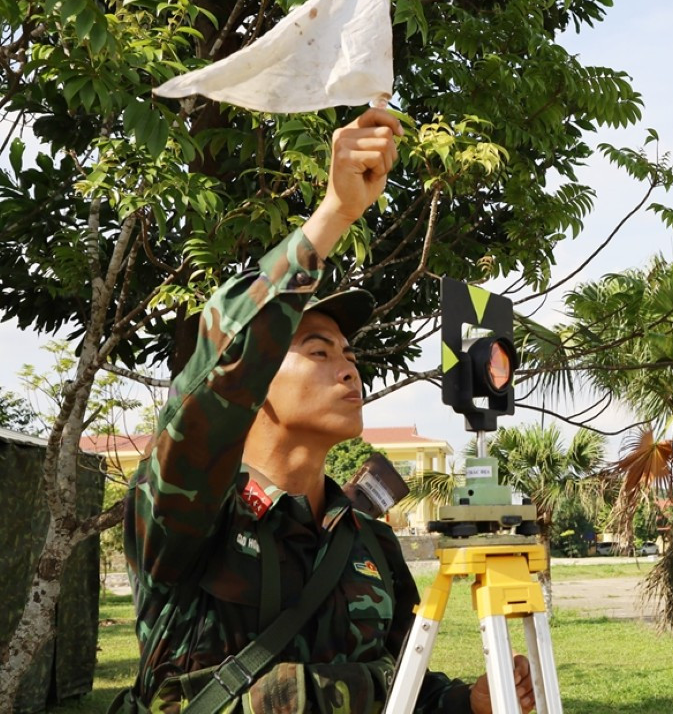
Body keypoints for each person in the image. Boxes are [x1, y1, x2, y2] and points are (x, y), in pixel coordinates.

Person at [118, 109, 536, 714]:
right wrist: (335, 214)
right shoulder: (188, 515)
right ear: (257, 378)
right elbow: (216, 372)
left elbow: (399, 686)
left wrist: (465, 703)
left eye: (348, 352)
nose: (348, 367)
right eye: (317, 349)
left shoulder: (368, 539)